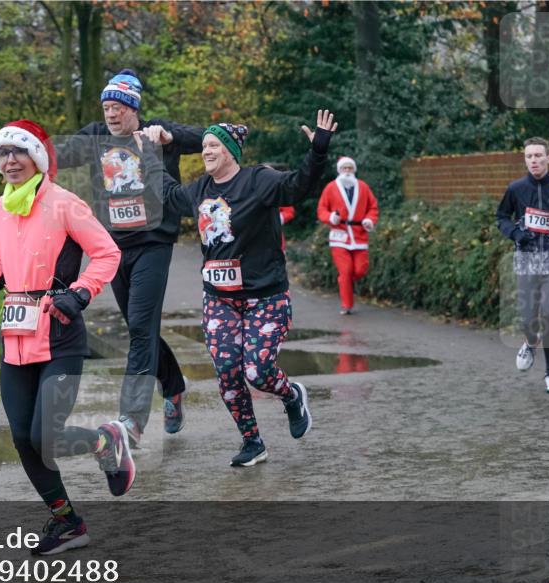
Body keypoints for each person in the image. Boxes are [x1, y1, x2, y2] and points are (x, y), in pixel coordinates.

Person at [0, 119, 131, 556]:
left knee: (43, 436)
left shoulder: (64, 203)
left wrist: (79, 293)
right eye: (2, 154)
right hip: (15, 338)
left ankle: (104, 441)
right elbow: (0, 262)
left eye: (18, 152)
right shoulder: (0, 208)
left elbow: (108, 252)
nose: (10, 161)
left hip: (60, 335)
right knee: (22, 437)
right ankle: (67, 521)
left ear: (37, 157)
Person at [153, 110, 337, 466]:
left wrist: (318, 151)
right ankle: (252, 442)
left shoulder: (259, 180)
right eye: (203, 145)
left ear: (230, 152)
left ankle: (290, 394)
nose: (206, 151)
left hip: (265, 296)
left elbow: (297, 186)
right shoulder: (200, 190)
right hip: (220, 300)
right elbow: (169, 193)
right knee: (227, 372)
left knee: (258, 371)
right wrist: (160, 152)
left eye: (213, 145)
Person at [56, 68, 204, 447]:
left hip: (154, 243)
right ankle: (173, 386)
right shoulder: (94, 136)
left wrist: (170, 138)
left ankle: (132, 422)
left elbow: (208, 139)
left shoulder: (155, 133)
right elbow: (54, 155)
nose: (111, 113)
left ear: (134, 109)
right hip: (112, 246)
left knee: (140, 325)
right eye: (107, 106)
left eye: (119, 106)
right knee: (141, 327)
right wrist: (17, 151)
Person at [497, 137, 549, 394]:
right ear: (525, 159)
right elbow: (502, 217)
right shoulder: (516, 189)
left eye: (539, 156)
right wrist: (515, 234)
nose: (534, 161)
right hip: (526, 259)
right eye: (529, 157)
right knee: (529, 318)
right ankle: (530, 342)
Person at [317, 156, 379, 315]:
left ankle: (346, 284)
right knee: (345, 270)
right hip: (339, 235)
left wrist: (369, 220)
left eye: (350, 168)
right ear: (339, 170)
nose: (347, 171)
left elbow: (373, 207)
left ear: (354, 170)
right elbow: (322, 209)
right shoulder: (331, 187)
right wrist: (331, 217)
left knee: (360, 270)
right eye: (344, 168)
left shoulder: (363, 187)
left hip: (359, 234)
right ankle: (347, 304)